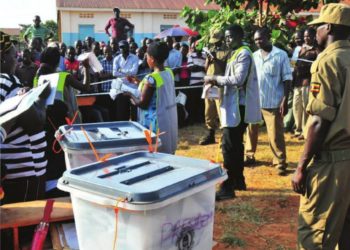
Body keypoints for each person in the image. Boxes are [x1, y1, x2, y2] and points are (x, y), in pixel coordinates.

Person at [292, 3, 350, 249]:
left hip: (332, 162)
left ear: (329, 27)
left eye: (317, 27)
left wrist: (301, 166)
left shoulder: (328, 61)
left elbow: (319, 119)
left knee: (316, 232)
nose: (315, 32)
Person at [204, 25, 261, 200]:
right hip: (233, 105)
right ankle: (238, 181)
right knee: (236, 145)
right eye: (226, 37)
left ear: (240, 36)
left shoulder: (243, 53)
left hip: (239, 107)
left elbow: (238, 79)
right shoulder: (235, 53)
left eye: (231, 37)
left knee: (229, 147)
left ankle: (228, 186)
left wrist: (214, 78)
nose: (228, 40)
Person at [246, 27, 292, 175]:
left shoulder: (281, 55)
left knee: (275, 134)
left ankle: (280, 162)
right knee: (251, 131)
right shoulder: (254, 56)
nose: (258, 42)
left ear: (269, 37)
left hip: (273, 102)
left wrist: (285, 99)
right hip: (255, 101)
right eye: (256, 40)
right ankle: (249, 155)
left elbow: (287, 79)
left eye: (261, 38)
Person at [126, 41, 178, 154]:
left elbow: (143, 103)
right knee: (167, 150)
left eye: (147, 56)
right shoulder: (168, 72)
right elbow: (157, 88)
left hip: (155, 122)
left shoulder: (151, 78)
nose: (146, 59)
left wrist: (129, 95)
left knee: (156, 152)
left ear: (152, 59)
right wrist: (138, 82)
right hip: (168, 118)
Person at [199, 30, 229, 145]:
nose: (215, 44)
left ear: (222, 39)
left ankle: (225, 137)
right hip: (209, 85)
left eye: (217, 42)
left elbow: (227, 67)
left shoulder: (228, 51)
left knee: (222, 112)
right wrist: (209, 60)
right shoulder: (211, 50)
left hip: (220, 85)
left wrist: (216, 59)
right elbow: (206, 68)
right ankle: (210, 134)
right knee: (209, 112)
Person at [292, 27, 319, 140]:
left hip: (307, 82)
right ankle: (298, 130)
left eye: (308, 36)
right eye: (305, 36)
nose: (306, 38)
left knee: (305, 106)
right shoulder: (299, 49)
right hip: (297, 82)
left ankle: (305, 131)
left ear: (314, 37)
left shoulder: (317, 50)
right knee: (296, 106)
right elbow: (292, 64)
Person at [112, 40, 139, 121]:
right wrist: (127, 72)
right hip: (121, 88)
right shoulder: (117, 59)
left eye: (124, 47)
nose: (122, 49)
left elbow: (134, 72)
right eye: (120, 47)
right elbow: (114, 73)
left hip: (132, 88)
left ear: (128, 47)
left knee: (134, 111)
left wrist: (121, 70)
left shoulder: (134, 57)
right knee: (122, 112)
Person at [186, 41, 206, 124]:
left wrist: (198, 67)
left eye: (198, 46)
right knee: (193, 101)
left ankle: (200, 119)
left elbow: (206, 68)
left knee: (202, 102)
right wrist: (201, 67)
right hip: (193, 82)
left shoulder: (205, 56)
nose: (197, 47)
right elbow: (191, 68)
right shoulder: (191, 55)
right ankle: (193, 119)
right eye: (196, 46)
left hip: (203, 82)